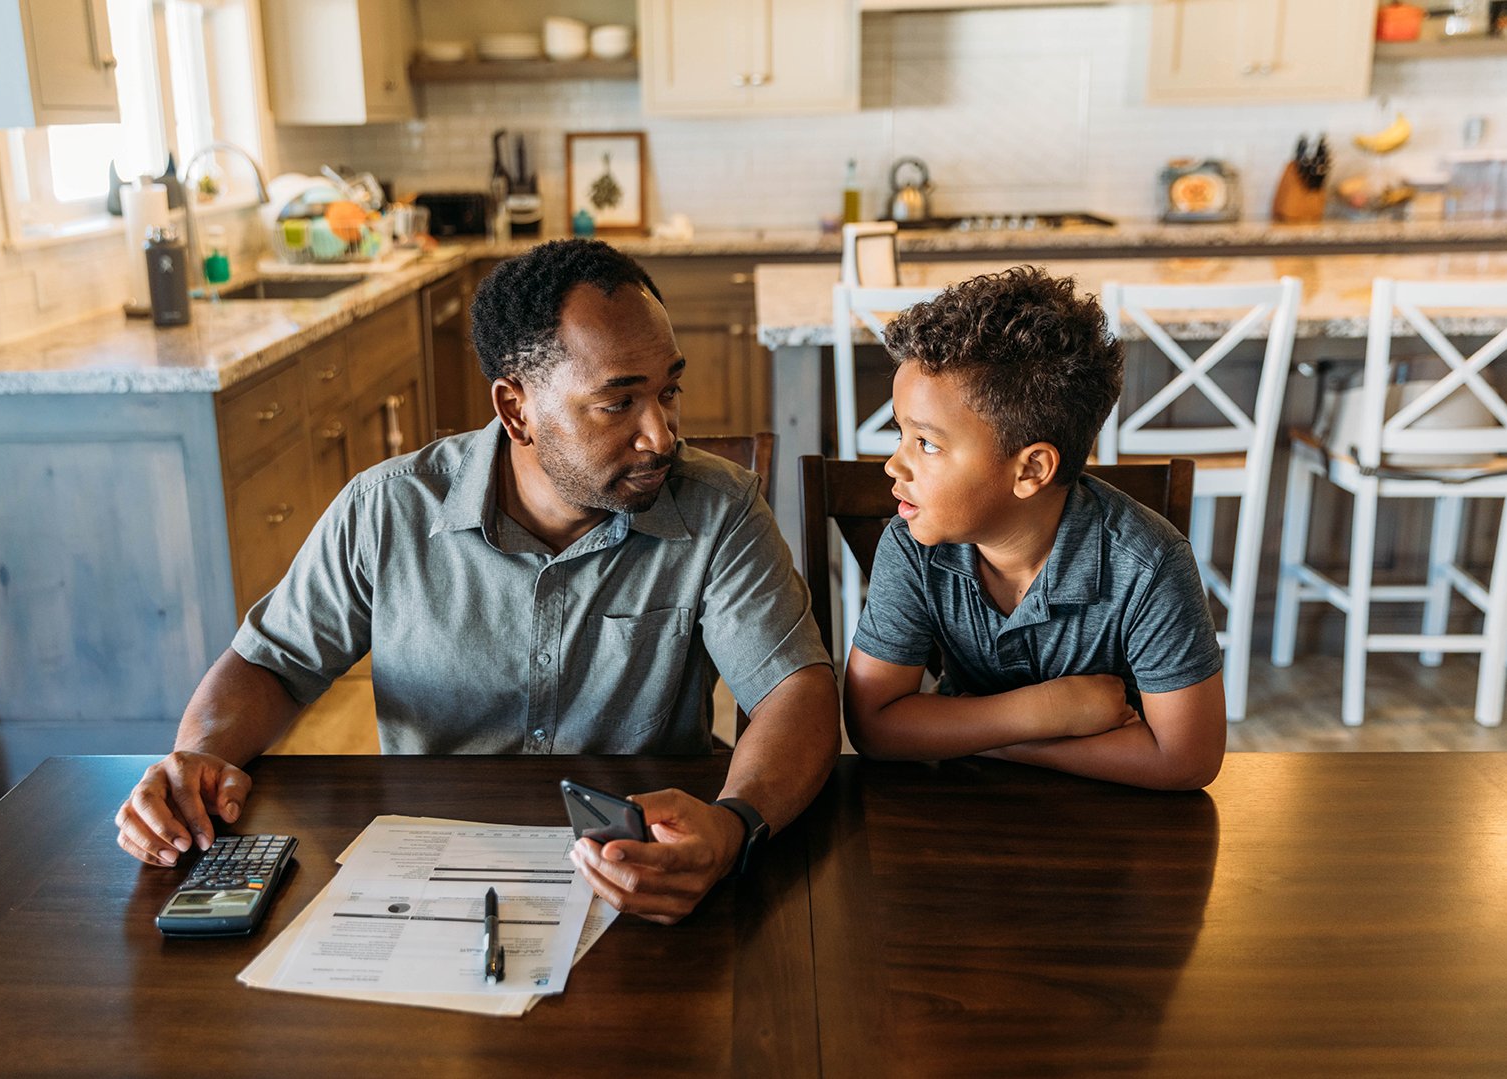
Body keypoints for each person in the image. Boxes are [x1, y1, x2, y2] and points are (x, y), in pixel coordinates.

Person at [115, 239, 840, 921]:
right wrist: (198, 762)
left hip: (644, 870)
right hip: (433, 877)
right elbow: (269, 664)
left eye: (669, 391)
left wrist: (734, 820)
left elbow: (795, 691)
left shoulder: (720, 506)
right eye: (619, 402)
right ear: (515, 409)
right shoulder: (386, 509)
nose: (662, 434)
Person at [843, 266, 1226, 790]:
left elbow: (1187, 760)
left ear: (1031, 470)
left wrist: (973, 732)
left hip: (1116, 832)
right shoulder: (913, 546)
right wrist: (1048, 712)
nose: (894, 466)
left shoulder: (1148, 564)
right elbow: (874, 725)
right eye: (900, 434)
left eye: (927, 444)